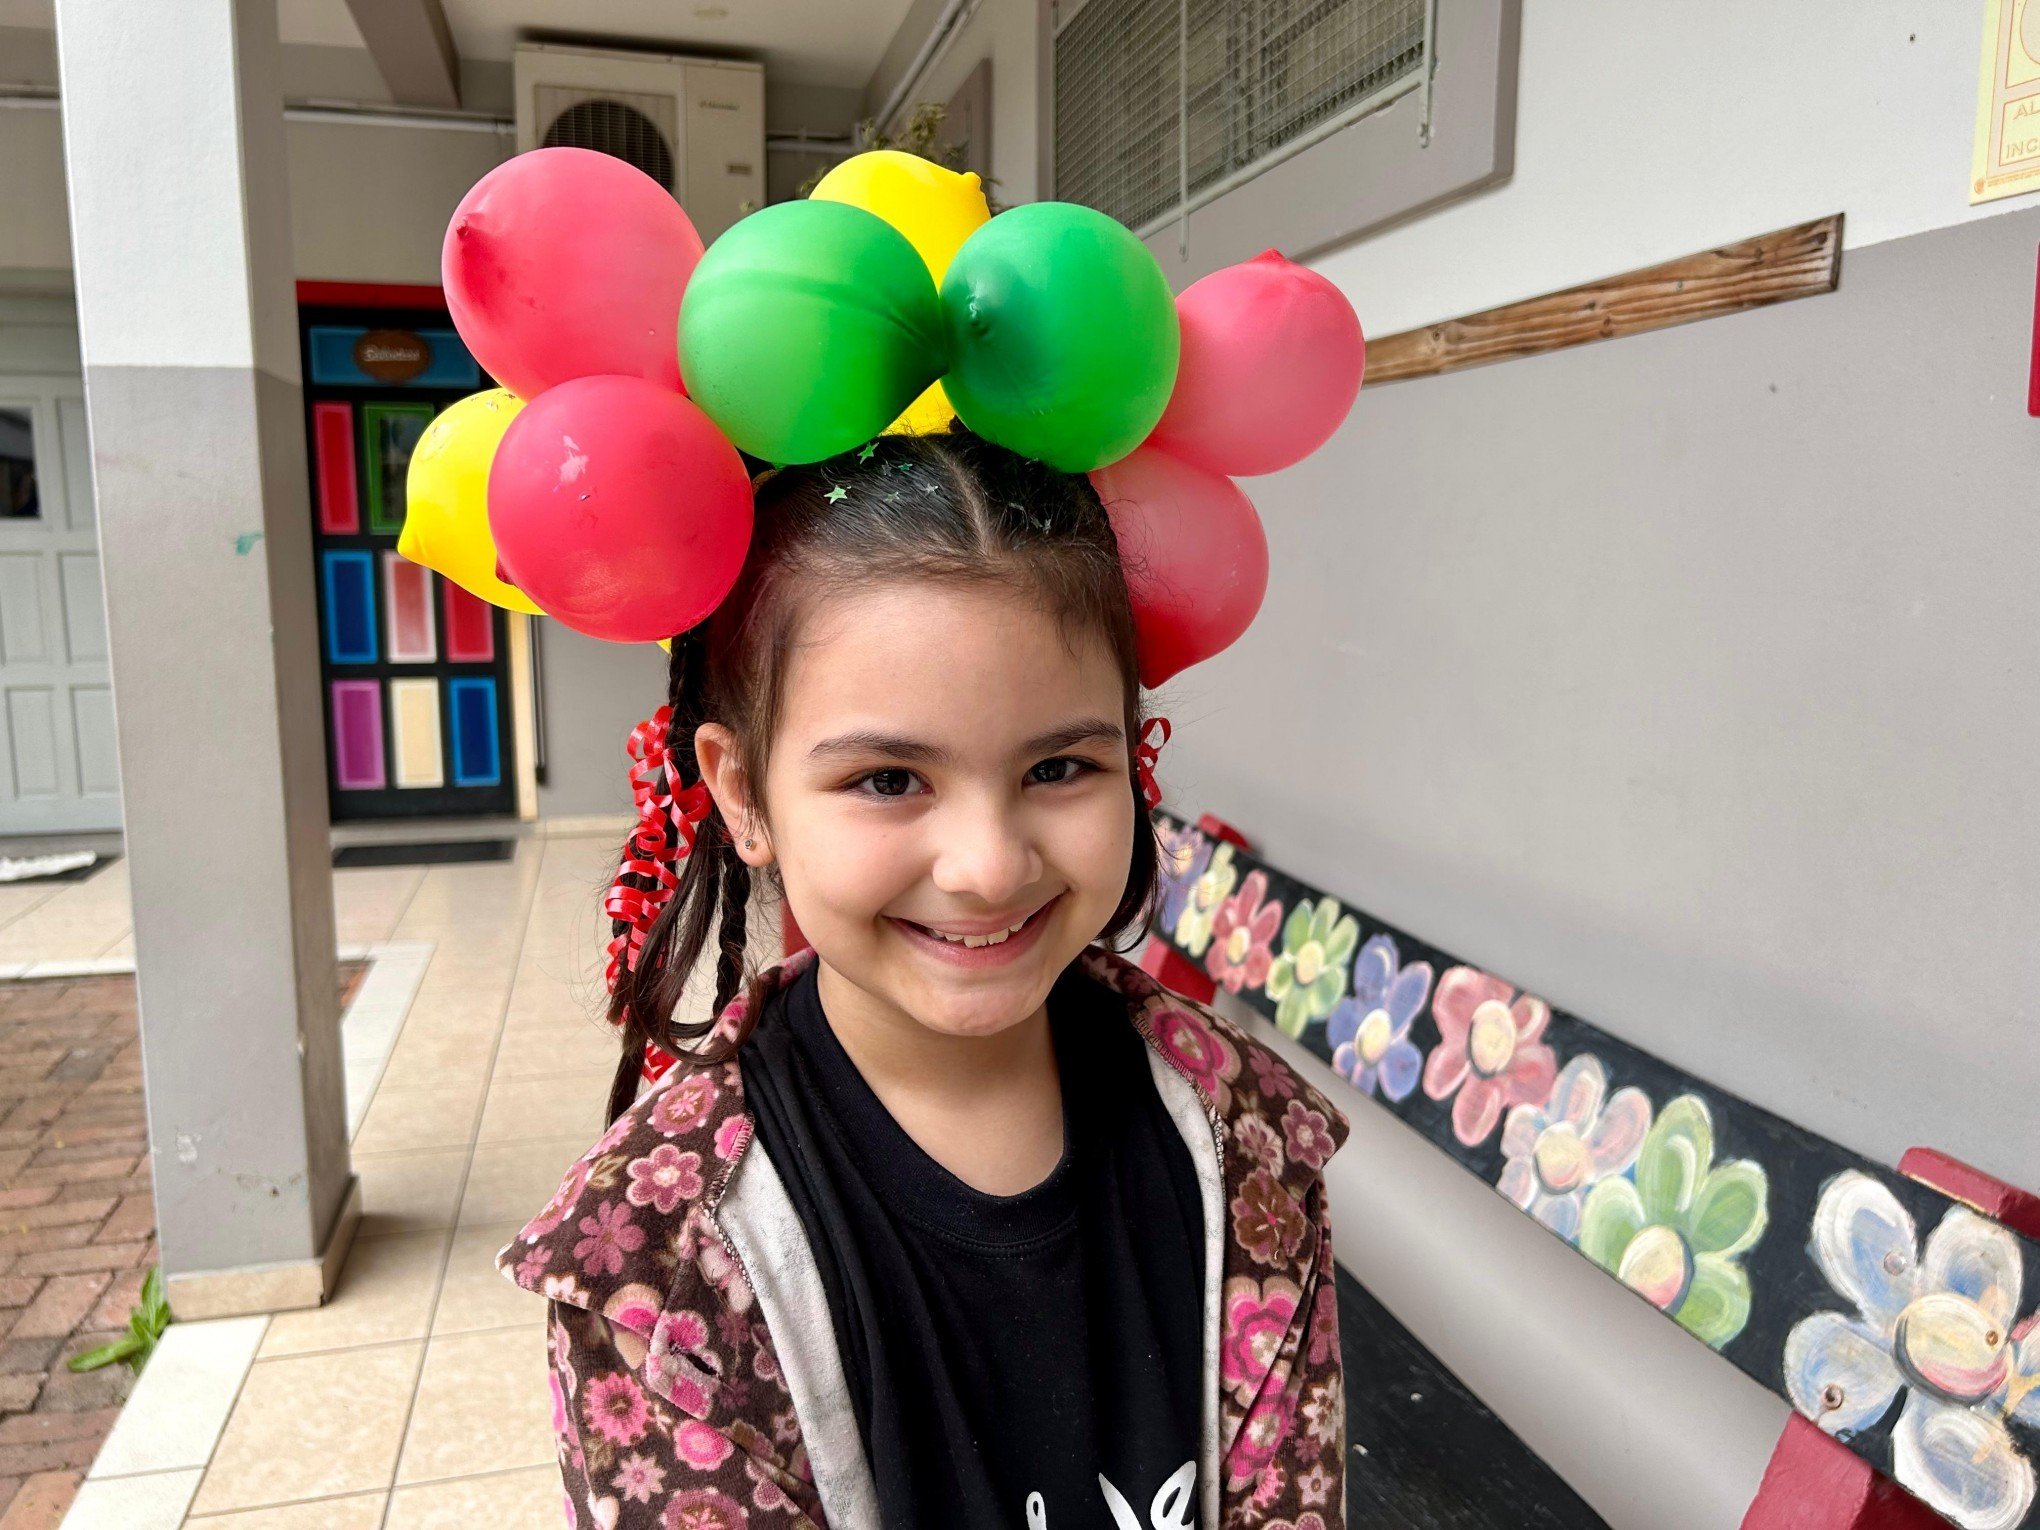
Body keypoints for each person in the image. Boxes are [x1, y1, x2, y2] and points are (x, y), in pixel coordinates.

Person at [498, 426, 1350, 1530]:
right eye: (889, 777)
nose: (989, 865)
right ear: (744, 792)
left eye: (1058, 767)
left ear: (1134, 756)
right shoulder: (659, 1276)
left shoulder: (1245, 1138)